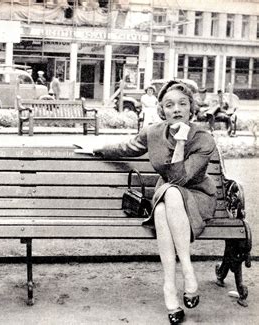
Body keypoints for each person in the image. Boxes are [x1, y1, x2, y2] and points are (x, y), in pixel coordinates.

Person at [75, 80, 217, 324]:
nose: (177, 109)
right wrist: (96, 148)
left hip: (196, 197)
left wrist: (181, 141)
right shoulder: (153, 132)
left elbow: (180, 178)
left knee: (167, 199)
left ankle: (182, 276)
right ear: (161, 109)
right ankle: (174, 284)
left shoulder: (203, 139)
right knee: (163, 206)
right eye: (169, 105)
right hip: (168, 197)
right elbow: (126, 147)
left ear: (191, 107)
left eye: (183, 104)